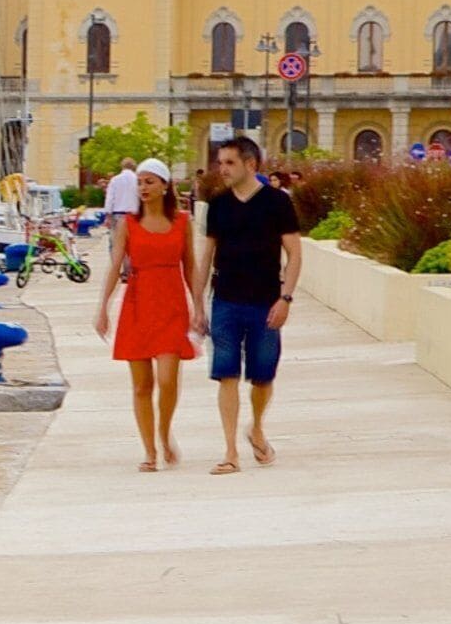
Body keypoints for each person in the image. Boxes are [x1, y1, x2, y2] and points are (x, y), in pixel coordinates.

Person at [199, 133, 304, 472]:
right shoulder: (218, 205)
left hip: (265, 302)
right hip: (225, 300)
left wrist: (285, 298)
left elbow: (294, 253)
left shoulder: (277, 202)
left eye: (230, 163)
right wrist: (198, 305)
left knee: (262, 377)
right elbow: (206, 256)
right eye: (220, 163)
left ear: (251, 164)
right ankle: (230, 452)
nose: (223, 169)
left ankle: (256, 426)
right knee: (226, 373)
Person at [95, 165, 201, 470]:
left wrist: (198, 305)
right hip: (138, 305)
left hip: (171, 303)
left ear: (164, 186)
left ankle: (165, 433)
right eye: (140, 182)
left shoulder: (182, 222)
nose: (142, 188)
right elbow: (115, 267)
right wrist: (103, 306)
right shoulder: (128, 223)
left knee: (167, 380)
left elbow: (191, 266)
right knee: (142, 385)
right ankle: (150, 451)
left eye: (149, 182)